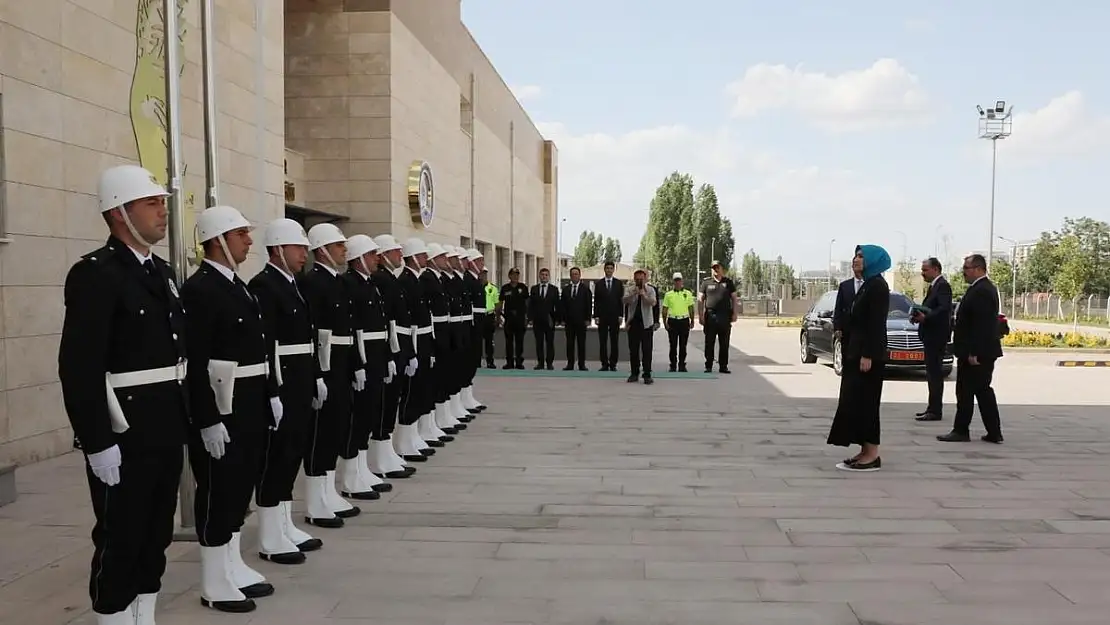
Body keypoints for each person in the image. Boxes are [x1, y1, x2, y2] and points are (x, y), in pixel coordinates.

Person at [58, 165, 188, 625]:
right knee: (121, 535)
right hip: (124, 432)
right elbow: (79, 367)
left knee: (156, 536)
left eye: (161, 202)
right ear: (120, 213)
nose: (162, 210)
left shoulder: (163, 272)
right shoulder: (96, 274)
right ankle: (113, 617)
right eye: (151, 203)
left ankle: (144, 616)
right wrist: (96, 442)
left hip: (166, 427)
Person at [181, 205, 273, 612]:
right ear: (218, 241)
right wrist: (207, 419)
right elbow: (195, 361)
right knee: (219, 489)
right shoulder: (200, 290)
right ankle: (214, 580)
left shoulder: (237, 285)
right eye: (241, 235)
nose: (249, 241)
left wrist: (270, 394)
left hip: (248, 402)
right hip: (223, 407)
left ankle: (231, 565)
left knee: (238, 487)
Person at [246, 218, 320, 565]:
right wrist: (272, 391)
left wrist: (315, 376)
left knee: (292, 454)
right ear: (278, 249)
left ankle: (285, 524)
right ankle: (270, 535)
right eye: (298, 248)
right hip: (284, 381)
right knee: (277, 458)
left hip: (300, 379)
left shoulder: (292, 284)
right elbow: (268, 344)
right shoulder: (264, 286)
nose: (304, 254)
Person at [300, 223, 360, 528]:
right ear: (322, 249)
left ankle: (327, 491)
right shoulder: (313, 283)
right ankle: (314, 501)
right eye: (338, 245)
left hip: (339, 361)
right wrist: (319, 373)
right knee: (320, 433)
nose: (343, 251)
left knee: (335, 428)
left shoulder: (336, 282)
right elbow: (315, 333)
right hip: (325, 363)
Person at [341, 234, 398, 496]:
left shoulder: (369, 284)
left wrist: (386, 357)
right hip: (363, 355)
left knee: (369, 414)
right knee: (359, 416)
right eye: (372, 254)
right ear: (360, 258)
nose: (377, 259)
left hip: (375, 354)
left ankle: (362, 470)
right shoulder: (350, 284)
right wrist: (359, 363)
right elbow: (354, 328)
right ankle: (352, 476)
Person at [827, 244, 891, 473]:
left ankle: (872, 454)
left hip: (867, 357)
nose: (856, 260)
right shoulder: (868, 285)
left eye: (862, 256)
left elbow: (874, 324)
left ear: (873, 260)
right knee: (854, 403)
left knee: (867, 404)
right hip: (855, 353)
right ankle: (864, 450)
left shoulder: (878, 287)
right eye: (855, 256)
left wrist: (868, 354)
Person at [937, 254, 1004, 444]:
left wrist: (974, 352)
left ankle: (966, 430)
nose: (963, 272)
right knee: (974, 391)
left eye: (966, 268)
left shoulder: (982, 290)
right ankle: (986, 431)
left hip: (977, 353)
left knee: (974, 391)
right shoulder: (980, 288)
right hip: (975, 351)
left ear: (978, 269)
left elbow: (981, 325)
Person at [369, 234, 418, 479]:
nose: (401, 255)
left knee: (391, 400)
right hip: (391, 343)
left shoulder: (389, 279)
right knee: (386, 402)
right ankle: (379, 455)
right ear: (384, 255)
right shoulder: (380, 279)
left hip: (399, 343)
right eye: (396, 251)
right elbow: (386, 320)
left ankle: (385, 450)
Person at [393, 238, 436, 461]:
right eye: (421, 256)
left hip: (422, 338)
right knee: (410, 392)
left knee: (418, 389)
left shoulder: (416, 280)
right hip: (413, 339)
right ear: (412, 258)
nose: (425, 260)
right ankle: (403, 440)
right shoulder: (406, 281)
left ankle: (411, 436)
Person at [421, 244, 459, 446]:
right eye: (443, 257)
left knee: (443, 376)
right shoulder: (427, 278)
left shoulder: (438, 278)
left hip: (443, 329)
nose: (447, 260)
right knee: (434, 380)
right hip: (434, 331)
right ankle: (428, 424)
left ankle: (436, 420)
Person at [912, 257, 953, 422]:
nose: (922, 273)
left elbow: (944, 309)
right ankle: (931, 408)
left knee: (935, 374)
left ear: (936, 269)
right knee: (931, 374)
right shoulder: (934, 286)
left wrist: (926, 318)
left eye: (925, 270)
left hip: (936, 337)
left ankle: (935, 411)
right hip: (930, 336)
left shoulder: (943, 286)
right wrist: (918, 315)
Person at [461, 248, 490, 412]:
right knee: (468, 362)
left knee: (473, 362)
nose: (482, 264)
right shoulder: (468, 280)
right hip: (471, 326)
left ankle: (467, 396)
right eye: (479, 261)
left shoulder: (476, 280)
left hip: (478, 325)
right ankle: (464, 397)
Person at [698, 261, 737, 374]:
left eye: (717, 267)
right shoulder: (706, 283)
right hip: (710, 315)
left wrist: (735, 313)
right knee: (709, 342)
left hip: (725, 316)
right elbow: (701, 300)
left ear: (722, 269)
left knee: (724, 342)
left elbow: (734, 298)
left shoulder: (728, 282)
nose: (715, 270)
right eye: (713, 268)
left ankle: (723, 366)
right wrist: (700, 315)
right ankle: (708, 365)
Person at [623, 269, 659, 384]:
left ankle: (647, 374)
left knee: (647, 350)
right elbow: (624, 301)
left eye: (641, 279)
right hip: (633, 323)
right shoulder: (630, 289)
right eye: (637, 279)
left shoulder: (651, 290)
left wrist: (644, 295)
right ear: (634, 279)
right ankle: (634, 373)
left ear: (645, 279)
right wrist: (634, 293)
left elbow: (653, 303)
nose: (639, 281)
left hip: (646, 324)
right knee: (633, 350)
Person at [593, 261, 624, 371]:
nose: (609, 270)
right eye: (607, 268)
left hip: (615, 316)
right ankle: (604, 364)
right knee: (603, 341)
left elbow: (621, 301)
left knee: (614, 341)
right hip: (602, 317)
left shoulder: (618, 283)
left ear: (613, 270)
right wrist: (596, 316)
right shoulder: (599, 284)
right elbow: (596, 301)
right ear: (604, 269)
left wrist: (621, 315)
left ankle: (613, 364)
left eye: (611, 268)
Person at [662, 272, 695, 372]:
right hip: (672, 321)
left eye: (679, 280)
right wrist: (665, 322)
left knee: (683, 345)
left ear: (682, 281)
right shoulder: (668, 295)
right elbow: (664, 309)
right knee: (673, 345)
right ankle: (673, 365)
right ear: (673, 282)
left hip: (684, 320)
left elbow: (691, 308)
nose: (677, 282)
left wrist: (692, 320)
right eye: (676, 281)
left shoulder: (688, 293)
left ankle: (682, 365)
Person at [560, 266, 592, 371]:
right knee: (570, 344)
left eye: (576, 274)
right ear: (570, 276)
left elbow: (588, 305)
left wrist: (588, 319)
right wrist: (563, 319)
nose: (574, 276)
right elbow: (563, 306)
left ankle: (582, 365)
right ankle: (570, 364)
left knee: (581, 344)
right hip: (569, 322)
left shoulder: (585, 289)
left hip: (581, 321)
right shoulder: (566, 290)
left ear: (579, 275)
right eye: (572, 274)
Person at [529, 267, 560, 369]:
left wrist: (557, 319)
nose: (544, 277)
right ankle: (540, 363)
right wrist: (530, 318)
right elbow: (531, 305)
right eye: (542, 275)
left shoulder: (554, 290)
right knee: (539, 343)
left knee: (550, 342)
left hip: (549, 320)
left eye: (546, 275)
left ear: (549, 277)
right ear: (539, 276)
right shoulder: (534, 289)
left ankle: (550, 363)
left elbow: (557, 305)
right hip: (537, 320)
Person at [499, 267, 528, 369]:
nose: (515, 276)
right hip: (509, 319)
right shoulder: (505, 288)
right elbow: (500, 303)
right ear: (509, 276)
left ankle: (519, 362)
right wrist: (498, 317)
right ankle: (509, 362)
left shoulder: (523, 287)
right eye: (513, 274)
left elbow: (527, 303)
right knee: (509, 342)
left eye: (517, 275)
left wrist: (526, 318)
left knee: (519, 342)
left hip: (520, 319)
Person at [481, 269, 499, 368]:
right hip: (478, 316)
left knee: (489, 341)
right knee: (477, 341)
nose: (482, 276)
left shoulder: (493, 288)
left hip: (489, 316)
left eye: (484, 274)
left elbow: (497, 304)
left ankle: (490, 361)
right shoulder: (476, 287)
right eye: (481, 273)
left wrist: (497, 317)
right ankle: (476, 361)